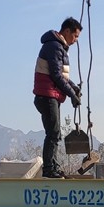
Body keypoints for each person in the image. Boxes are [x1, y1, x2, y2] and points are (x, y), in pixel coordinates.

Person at [33, 17, 82, 178]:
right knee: (53, 133)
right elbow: (56, 75)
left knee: (54, 133)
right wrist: (72, 94)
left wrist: (73, 88)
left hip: (50, 95)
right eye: (75, 36)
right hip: (47, 95)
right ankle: (49, 169)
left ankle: (53, 166)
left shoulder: (58, 47)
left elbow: (61, 75)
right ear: (67, 31)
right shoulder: (55, 46)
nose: (75, 40)